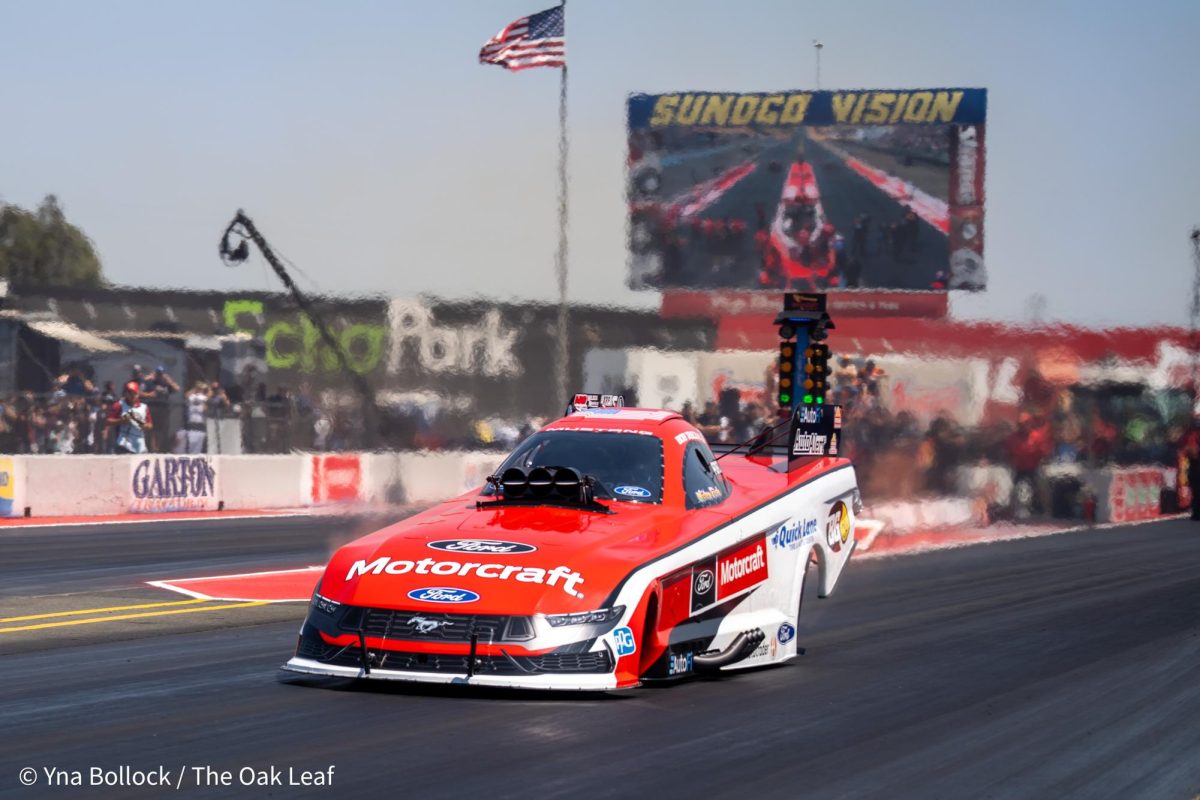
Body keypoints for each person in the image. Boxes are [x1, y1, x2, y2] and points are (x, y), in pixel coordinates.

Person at [106, 381, 152, 454]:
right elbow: (108, 421)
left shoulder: (144, 407)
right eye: (130, 393)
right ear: (126, 394)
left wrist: (143, 425)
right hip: (123, 445)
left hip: (140, 446)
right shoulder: (119, 405)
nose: (132, 395)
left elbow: (150, 425)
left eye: (134, 393)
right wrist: (121, 421)